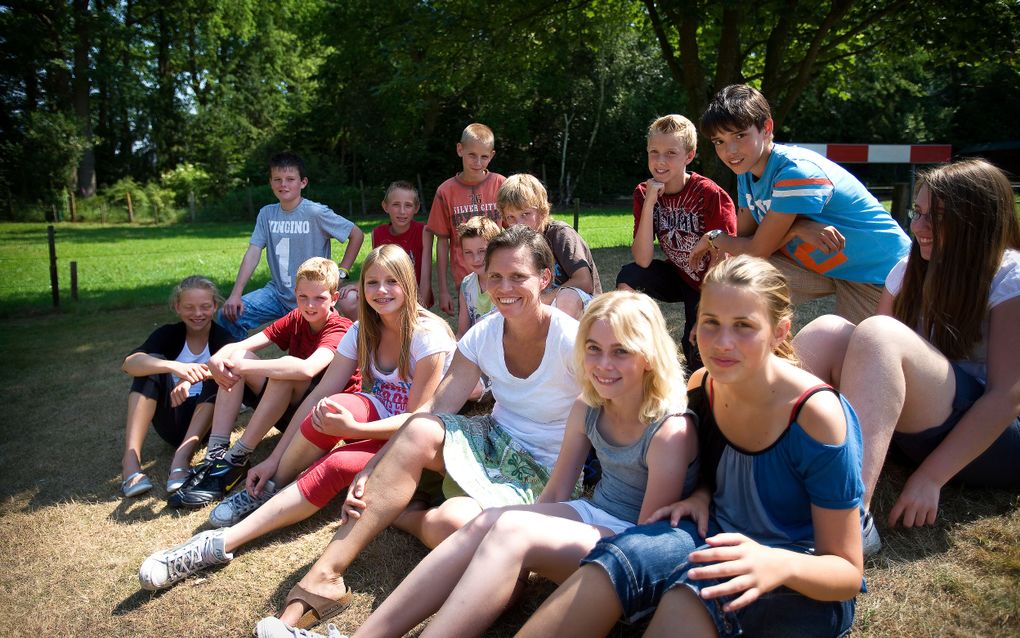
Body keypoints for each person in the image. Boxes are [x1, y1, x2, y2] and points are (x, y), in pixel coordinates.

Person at [306, 291, 700, 638]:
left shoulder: (669, 431)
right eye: (593, 348)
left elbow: (646, 544)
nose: (602, 364)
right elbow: (558, 491)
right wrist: (511, 541)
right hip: (595, 513)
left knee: (511, 529)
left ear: (649, 357)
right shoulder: (589, 406)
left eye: (621, 351)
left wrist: (527, 540)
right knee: (487, 521)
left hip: (635, 541)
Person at [249, 225, 582, 633]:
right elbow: (435, 408)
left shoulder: (572, 341)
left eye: (518, 277)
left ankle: (404, 515)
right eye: (495, 276)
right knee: (422, 429)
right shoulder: (483, 334)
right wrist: (373, 470)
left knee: (455, 526)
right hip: (492, 441)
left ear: (544, 278)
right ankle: (325, 577)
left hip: (540, 468)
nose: (504, 287)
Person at [517, 255, 865, 638]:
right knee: (622, 556)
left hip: (798, 575)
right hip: (712, 538)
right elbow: (718, 466)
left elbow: (847, 571)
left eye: (744, 326)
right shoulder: (705, 385)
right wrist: (700, 493)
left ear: (780, 331)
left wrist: (774, 564)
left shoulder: (816, 416)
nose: (722, 342)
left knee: (695, 594)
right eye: (711, 323)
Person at [138, 245, 456, 592]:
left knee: (337, 465)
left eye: (392, 281)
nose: (381, 291)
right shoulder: (363, 328)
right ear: (361, 287)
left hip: (418, 436)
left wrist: (355, 431)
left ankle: (217, 545)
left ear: (409, 284)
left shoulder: (428, 336)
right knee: (330, 406)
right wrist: (273, 460)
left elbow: (418, 419)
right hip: (382, 412)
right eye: (372, 282)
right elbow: (321, 393)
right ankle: (271, 485)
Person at [792, 158, 1020, 547]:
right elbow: (873, 357)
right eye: (918, 212)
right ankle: (760, 464)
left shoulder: (1008, 276)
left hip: (992, 442)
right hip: (914, 427)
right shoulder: (907, 268)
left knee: (879, 332)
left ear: (978, 220)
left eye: (936, 217)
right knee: (827, 330)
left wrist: (930, 477)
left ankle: (850, 517)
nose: (917, 226)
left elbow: (1006, 397)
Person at [689, 84, 910, 324]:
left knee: (864, 351)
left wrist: (714, 237)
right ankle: (756, 354)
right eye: (719, 141)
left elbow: (755, 249)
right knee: (738, 280)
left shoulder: (794, 171)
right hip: (827, 267)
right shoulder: (746, 170)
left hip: (877, 274)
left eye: (740, 135)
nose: (730, 151)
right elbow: (745, 244)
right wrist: (796, 229)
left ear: (766, 128)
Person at [169, 257, 355, 508]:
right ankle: (217, 452)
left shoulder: (340, 328)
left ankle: (238, 457)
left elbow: (307, 368)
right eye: (303, 297)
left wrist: (244, 366)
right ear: (295, 294)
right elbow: (243, 346)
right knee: (236, 356)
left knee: (280, 372)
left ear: (334, 298)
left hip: (320, 418)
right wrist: (218, 359)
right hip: (289, 407)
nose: (310, 306)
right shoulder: (297, 317)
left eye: (319, 298)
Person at [617, 114, 736, 369]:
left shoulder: (709, 193)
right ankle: (628, 344)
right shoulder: (643, 192)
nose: (660, 161)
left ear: (689, 156)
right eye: (654, 152)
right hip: (680, 275)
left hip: (711, 283)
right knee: (630, 274)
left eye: (671, 153)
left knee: (695, 349)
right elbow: (643, 258)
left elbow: (724, 257)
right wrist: (650, 202)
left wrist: (706, 311)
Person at [218, 151, 365, 341]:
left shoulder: (315, 212)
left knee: (309, 352)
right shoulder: (266, 214)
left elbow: (356, 235)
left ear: (303, 182)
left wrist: (342, 272)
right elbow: (253, 252)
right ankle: (236, 366)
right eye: (277, 179)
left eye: (290, 179)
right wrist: (235, 294)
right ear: (270, 182)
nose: (283, 184)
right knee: (228, 315)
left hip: (311, 295)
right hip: (277, 294)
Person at [120, 276, 233, 497]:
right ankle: (130, 462)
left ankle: (181, 459)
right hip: (171, 419)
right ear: (177, 307)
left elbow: (237, 369)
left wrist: (191, 378)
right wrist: (173, 367)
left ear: (215, 307)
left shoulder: (223, 338)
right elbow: (129, 364)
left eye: (205, 307)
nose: (198, 313)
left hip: (206, 425)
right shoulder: (168, 334)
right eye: (189, 307)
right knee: (149, 368)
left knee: (218, 378)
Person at [425, 123, 506, 316]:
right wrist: (444, 290)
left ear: (492, 155)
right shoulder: (445, 191)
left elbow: (514, 232)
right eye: (472, 155)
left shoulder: (502, 185)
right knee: (471, 333)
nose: (478, 162)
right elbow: (442, 242)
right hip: (465, 280)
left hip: (500, 276)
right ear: (460, 149)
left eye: (484, 157)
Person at [499, 173, 602, 319]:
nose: (519, 223)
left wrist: (539, 302)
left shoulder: (560, 234)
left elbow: (584, 282)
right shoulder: (517, 245)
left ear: (541, 211)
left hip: (585, 312)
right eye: (511, 217)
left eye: (526, 214)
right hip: (541, 311)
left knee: (567, 297)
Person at [371, 181, 434, 309]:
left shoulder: (424, 232)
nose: (402, 211)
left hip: (414, 299)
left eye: (408, 205)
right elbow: (375, 273)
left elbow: (426, 277)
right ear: (385, 206)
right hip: (387, 297)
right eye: (396, 205)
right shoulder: (377, 233)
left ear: (416, 208)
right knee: (349, 297)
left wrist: (420, 309)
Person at [455, 215, 501, 338]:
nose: (476, 259)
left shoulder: (506, 283)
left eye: (482, 251)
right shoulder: (466, 284)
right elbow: (462, 332)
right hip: (476, 349)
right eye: (468, 252)